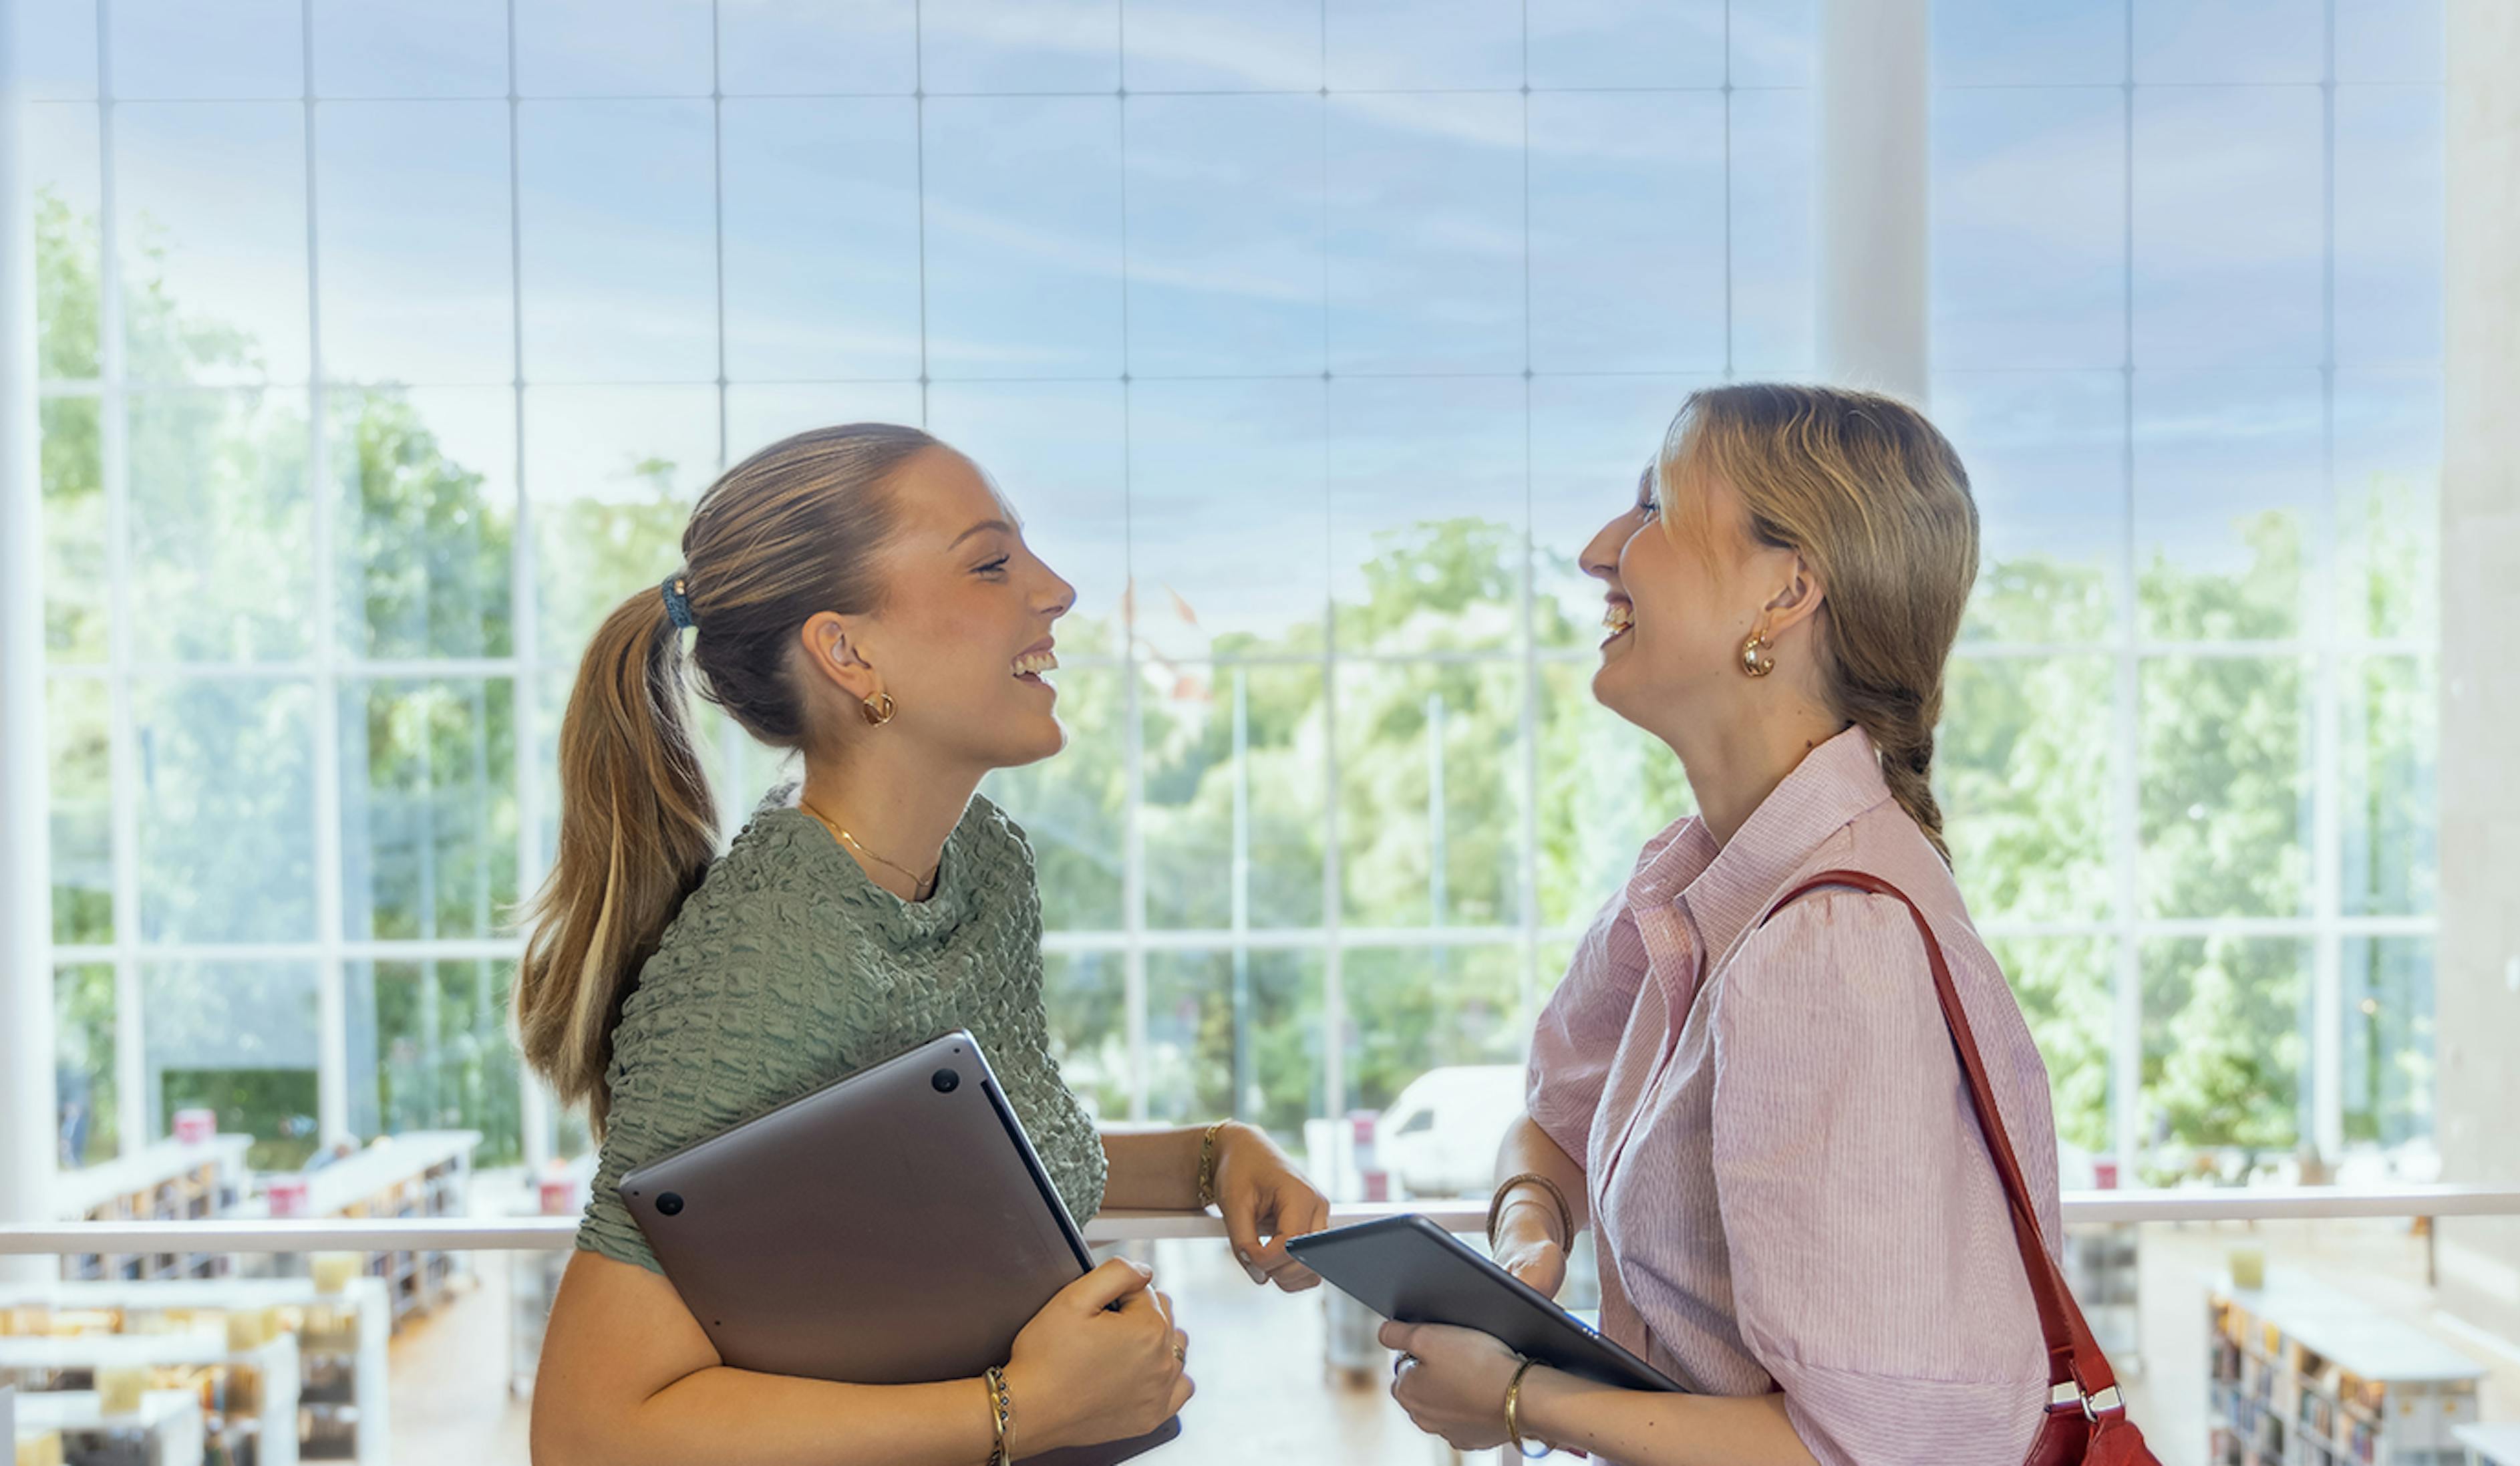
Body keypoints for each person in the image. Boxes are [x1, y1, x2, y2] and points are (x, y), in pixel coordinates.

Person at [516, 424, 1331, 1465]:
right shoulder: (762, 964)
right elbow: (589, 1434)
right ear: (847, 652)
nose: (1056, 589)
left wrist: (1207, 1160)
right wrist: (1019, 1409)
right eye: (992, 563)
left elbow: (954, 1179)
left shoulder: (982, 865)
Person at [1382, 386, 2066, 1465]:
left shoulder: (1834, 944)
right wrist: (1527, 1243)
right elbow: (1555, 1121)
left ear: (1786, 591)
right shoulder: (1698, 875)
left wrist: (1521, 1399)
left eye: (1653, 509)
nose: (1600, 551)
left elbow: (1870, 1453)